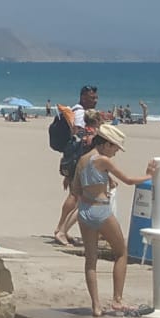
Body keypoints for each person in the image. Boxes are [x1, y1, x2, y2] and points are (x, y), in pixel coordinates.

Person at [75, 124, 150, 317]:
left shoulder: (83, 159)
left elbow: (76, 189)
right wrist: (150, 175)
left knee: (90, 260)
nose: (116, 152)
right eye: (115, 147)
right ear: (107, 144)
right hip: (100, 210)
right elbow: (129, 180)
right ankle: (117, 299)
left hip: (83, 211)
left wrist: (104, 181)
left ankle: (96, 306)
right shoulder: (103, 160)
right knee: (121, 252)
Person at [50, 85, 99, 244]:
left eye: (96, 97)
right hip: (80, 160)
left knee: (76, 196)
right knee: (78, 197)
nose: (95, 100)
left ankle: (62, 229)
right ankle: (61, 229)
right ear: (83, 97)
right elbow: (78, 139)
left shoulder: (76, 111)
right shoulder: (79, 114)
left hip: (76, 160)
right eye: (92, 98)